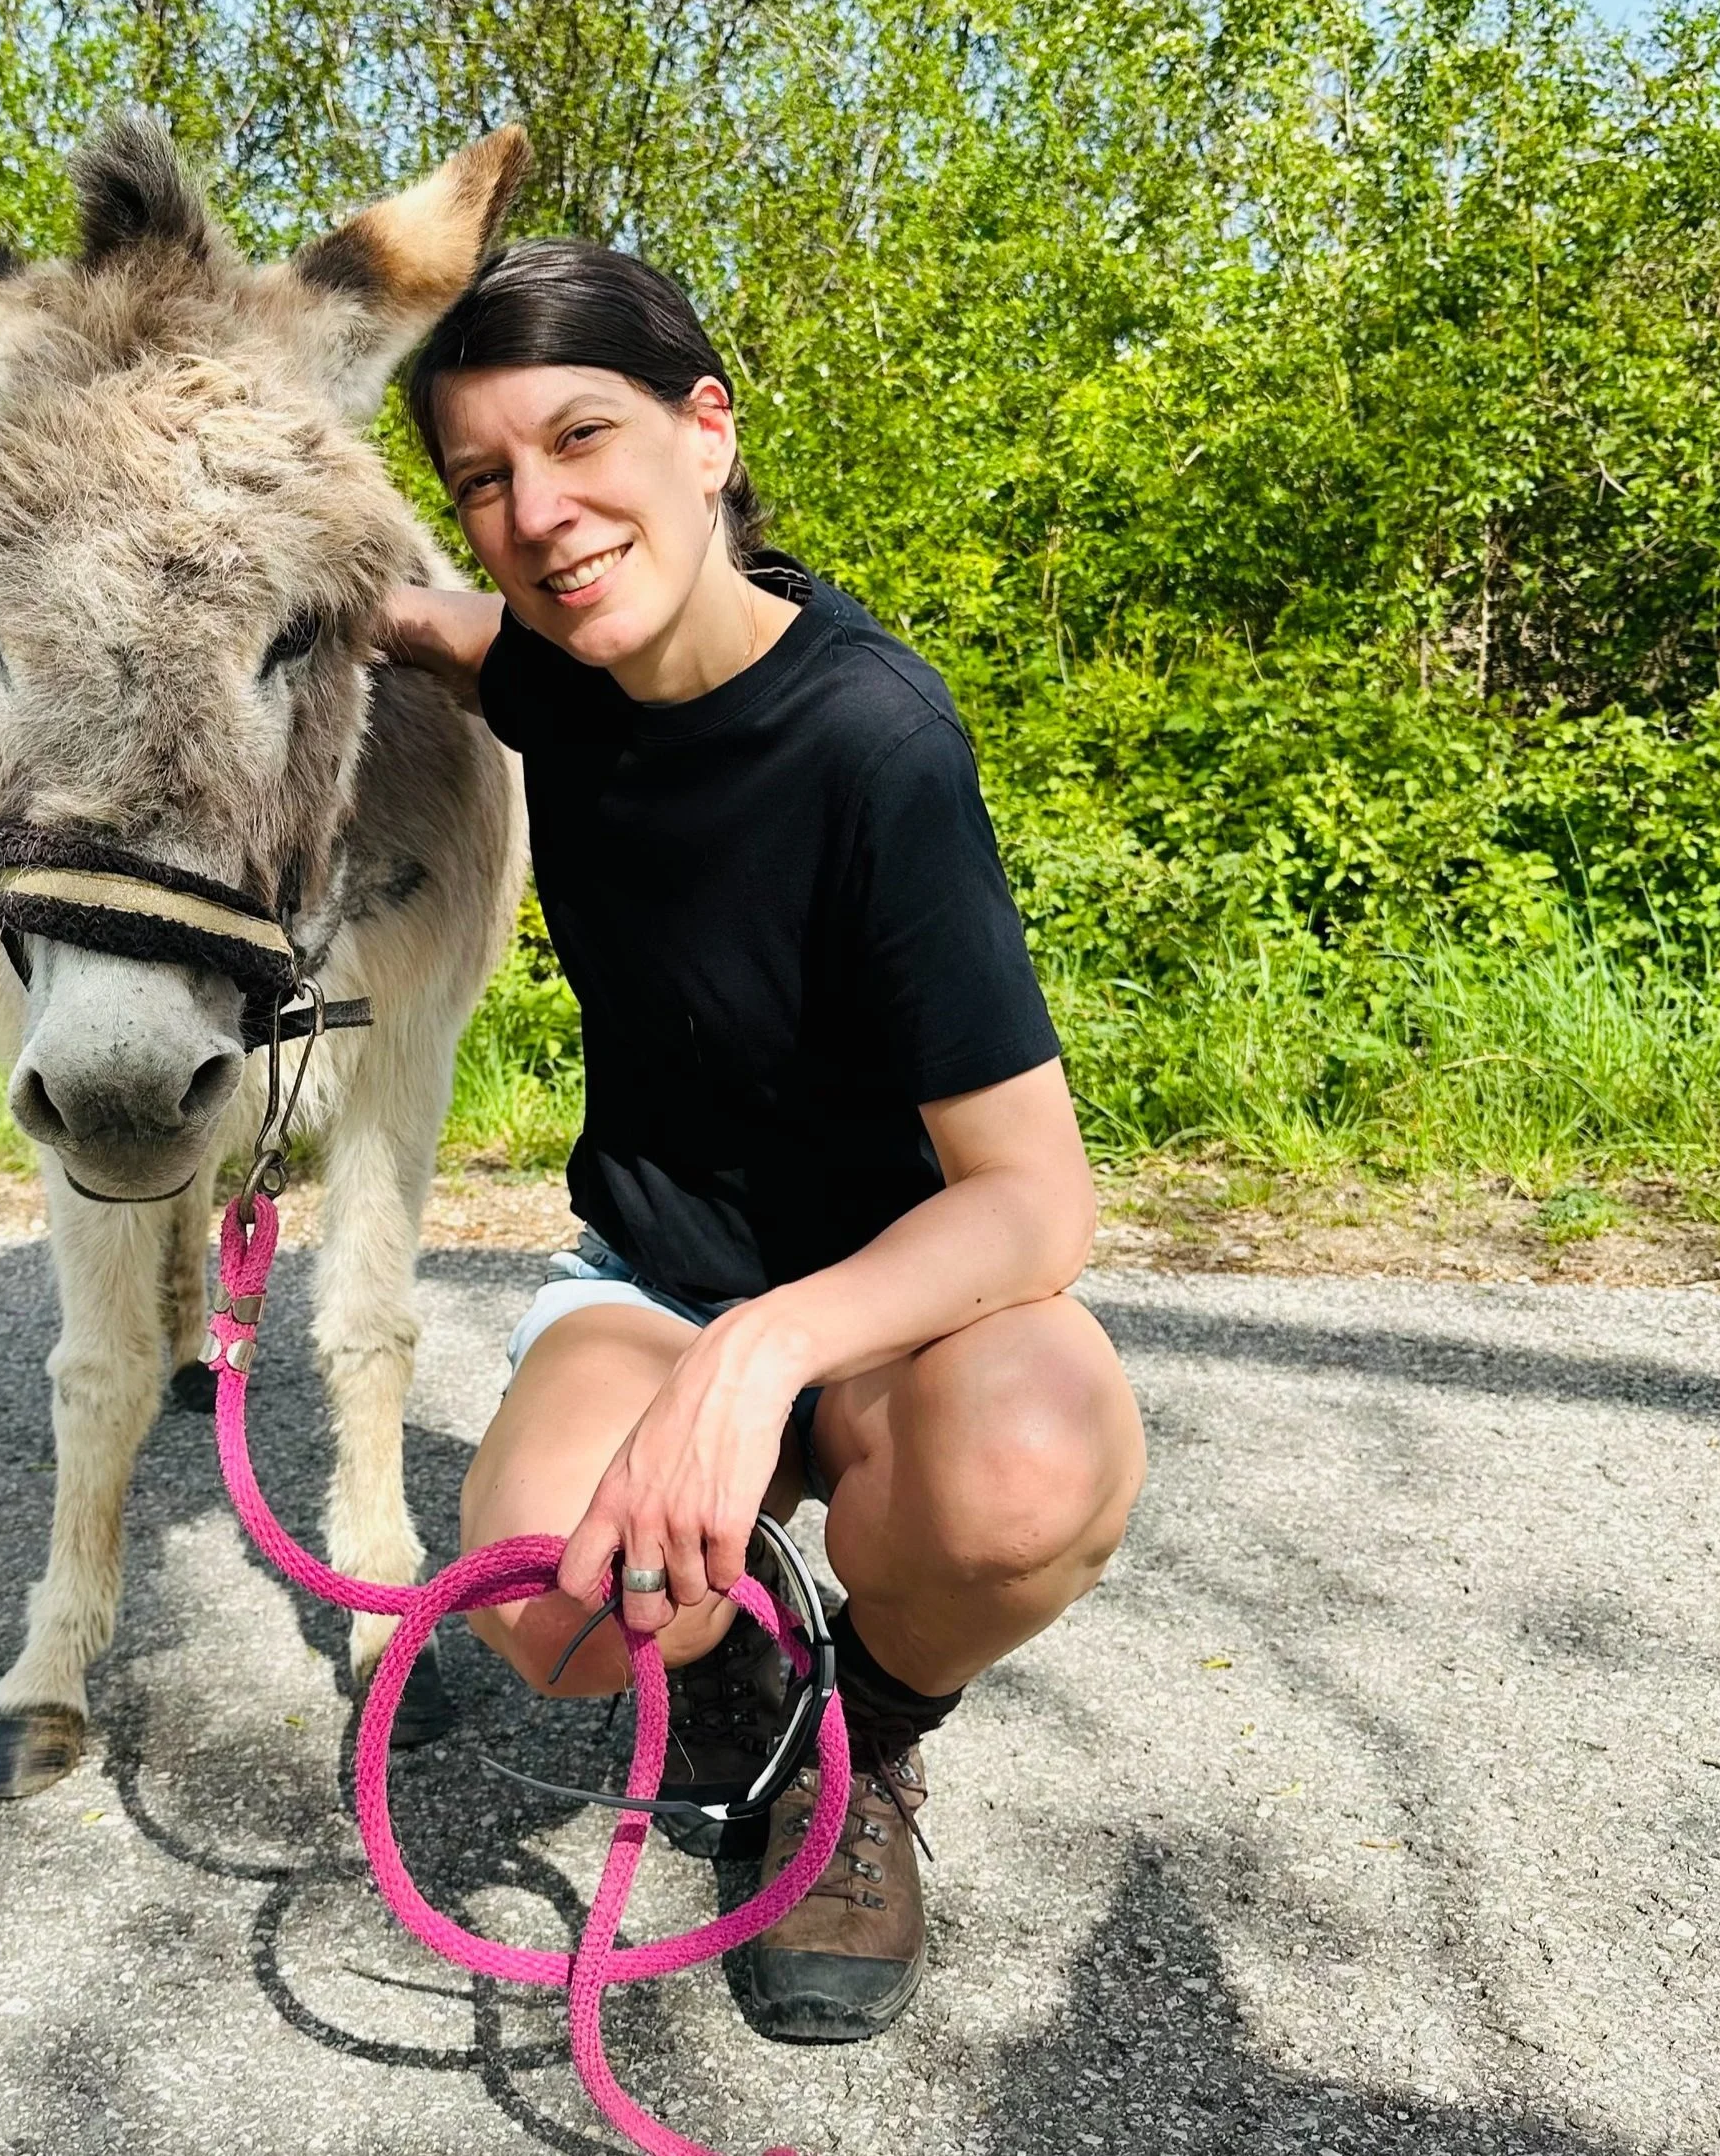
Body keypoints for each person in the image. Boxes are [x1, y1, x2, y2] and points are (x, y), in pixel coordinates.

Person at [375, 238, 1146, 2044]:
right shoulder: (563, 678)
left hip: (904, 1306)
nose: (540, 513)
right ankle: (740, 1698)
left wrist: (771, 1348)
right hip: (655, 1272)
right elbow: (434, 624)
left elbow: (1038, 1199)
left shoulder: (875, 745)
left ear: (706, 431)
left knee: (1034, 1469)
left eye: (583, 441)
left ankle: (854, 1741)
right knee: (546, 1607)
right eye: (485, 480)